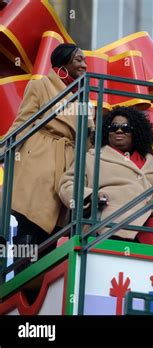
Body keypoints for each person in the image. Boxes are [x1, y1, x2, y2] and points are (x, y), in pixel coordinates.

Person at [5, 43, 89, 273]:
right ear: (63, 63)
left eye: (85, 60)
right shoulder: (41, 85)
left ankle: (38, 288)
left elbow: (89, 138)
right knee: (30, 227)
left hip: (67, 166)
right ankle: (22, 283)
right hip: (39, 159)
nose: (84, 64)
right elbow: (23, 121)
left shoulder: (82, 96)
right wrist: (6, 151)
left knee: (54, 235)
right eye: (79, 59)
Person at [59, 106, 153, 242]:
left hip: (152, 225)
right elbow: (66, 185)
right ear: (106, 132)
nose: (119, 130)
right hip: (110, 224)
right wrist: (90, 196)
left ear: (137, 132)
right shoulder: (92, 158)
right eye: (113, 127)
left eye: (126, 127)